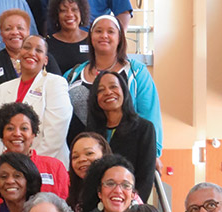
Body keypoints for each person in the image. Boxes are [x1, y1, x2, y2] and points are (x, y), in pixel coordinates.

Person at [63, 15, 162, 158]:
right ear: (90, 37)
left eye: (110, 31)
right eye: (98, 31)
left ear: (120, 38)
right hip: (83, 160)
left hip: (128, 158)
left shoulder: (136, 72)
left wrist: (154, 155)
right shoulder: (72, 76)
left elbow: (150, 116)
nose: (104, 35)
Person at [0, 102, 69, 212]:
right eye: (10, 128)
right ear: (1, 134)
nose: (17, 134)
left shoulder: (54, 167)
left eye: (24, 128)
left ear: (33, 134)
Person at [0, 35, 73, 167]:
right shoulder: (2, 89)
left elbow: (55, 135)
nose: (31, 52)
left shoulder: (56, 83)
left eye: (38, 50)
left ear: (45, 60)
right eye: (26, 47)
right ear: (19, 54)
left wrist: (27, 164)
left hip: (48, 165)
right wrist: (7, 161)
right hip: (7, 167)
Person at [0, 9, 61, 127]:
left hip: (43, 129)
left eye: (20, 28)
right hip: (4, 130)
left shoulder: (44, 59)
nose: (14, 32)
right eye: (8, 29)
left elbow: (56, 96)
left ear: (28, 32)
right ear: (1, 34)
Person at [88, 70, 156, 201]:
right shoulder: (91, 132)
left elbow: (146, 177)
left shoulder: (144, 128)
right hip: (96, 205)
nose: (108, 92)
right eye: (101, 90)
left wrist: (130, 206)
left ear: (124, 91)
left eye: (113, 87)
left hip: (129, 206)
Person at [67, 132, 112, 212]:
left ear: (104, 155)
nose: (82, 159)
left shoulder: (119, 189)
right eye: (75, 157)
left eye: (89, 153)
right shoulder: (72, 196)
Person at [46, 0, 90, 74]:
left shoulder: (92, 40)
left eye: (74, 10)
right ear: (57, 15)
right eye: (63, 10)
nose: (69, 14)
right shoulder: (47, 43)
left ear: (81, 12)